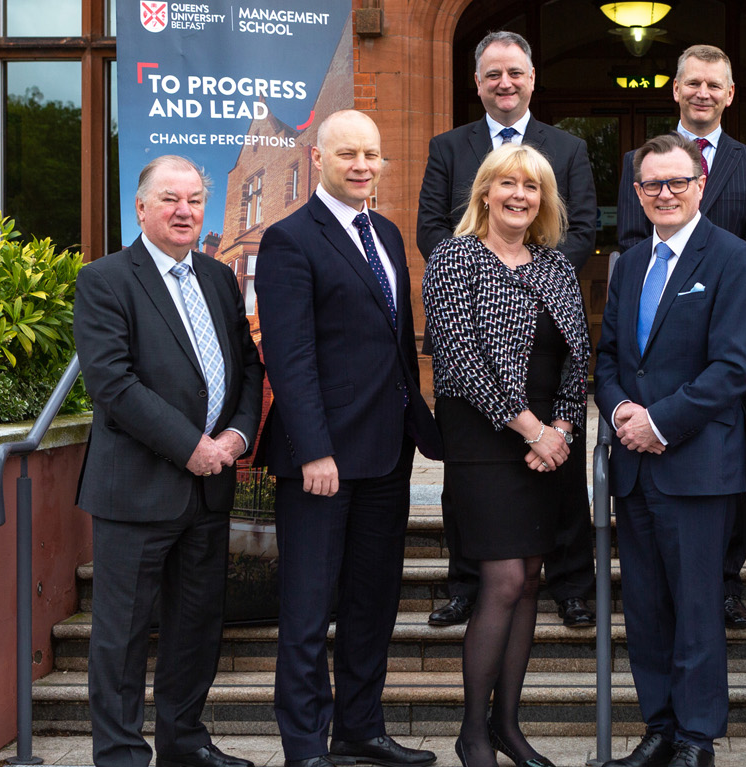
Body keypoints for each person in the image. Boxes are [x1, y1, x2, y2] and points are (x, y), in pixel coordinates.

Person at [256, 110, 443, 767]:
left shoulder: (385, 233)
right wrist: (314, 449)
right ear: (317, 158)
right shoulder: (288, 239)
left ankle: (361, 728)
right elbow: (289, 357)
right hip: (322, 462)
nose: (363, 165)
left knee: (373, 603)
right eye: (348, 154)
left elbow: (395, 348)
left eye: (372, 153)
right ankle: (306, 745)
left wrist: (425, 428)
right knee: (308, 611)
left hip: (386, 455)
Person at [73, 154, 262, 767]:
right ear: (141, 208)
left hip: (209, 488)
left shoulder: (218, 277)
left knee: (196, 626)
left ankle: (185, 743)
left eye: (195, 200)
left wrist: (236, 437)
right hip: (137, 490)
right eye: (170, 200)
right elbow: (112, 383)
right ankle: (122, 755)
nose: (185, 212)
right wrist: (192, 446)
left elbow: (247, 366)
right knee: (123, 634)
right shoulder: (105, 280)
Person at [417, 29, 598, 629]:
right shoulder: (448, 147)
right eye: (493, 73)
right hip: (474, 339)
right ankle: (466, 585)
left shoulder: (567, 148)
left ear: (531, 78)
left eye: (515, 72)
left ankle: (571, 587)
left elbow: (582, 229)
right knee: (472, 491)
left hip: (546, 338)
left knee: (561, 481)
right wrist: (483, 280)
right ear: (477, 83)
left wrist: (536, 279)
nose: (505, 83)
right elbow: (430, 228)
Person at [422, 143, 593, 767]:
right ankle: (472, 732)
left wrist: (562, 430)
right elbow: (459, 357)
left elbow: (578, 356)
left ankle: (508, 726)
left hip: (547, 446)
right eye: (509, 184)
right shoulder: (455, 257)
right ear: (485, 193)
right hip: (485, 441)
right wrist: (531, 431)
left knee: (530, 582)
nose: (520, 196)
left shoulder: (555, 266)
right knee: (504, 580)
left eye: (533, 186)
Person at [597, 134, 746, 767]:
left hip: (696, 466)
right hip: (635, 469)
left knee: (695, 610)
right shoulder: (629, 263)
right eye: (652, 184)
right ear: (638, 193)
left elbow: (733, 368)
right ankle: (659, 728)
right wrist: (620, 411)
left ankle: (696, 737)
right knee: (645, 610)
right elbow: (610, 357)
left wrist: (659, 423)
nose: (664, 193)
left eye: (677, 182)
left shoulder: (733, 257)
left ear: (700, 185)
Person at [615, 43, 746, 628]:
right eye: (693, 83)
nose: (702, 93)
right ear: (676, 89)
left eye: (714, 84)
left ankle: (728, 582)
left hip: (721, 332)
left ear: (729, 94)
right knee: (649, 603)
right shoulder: (640, 164)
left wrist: (710, 281)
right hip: (652, 335)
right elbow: (631, 243)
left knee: (713, 516)